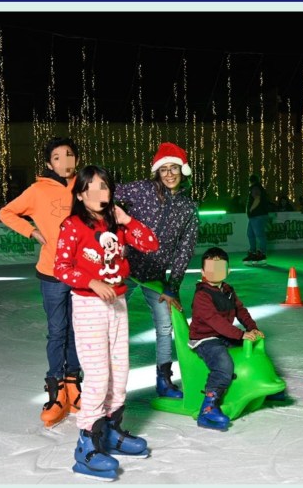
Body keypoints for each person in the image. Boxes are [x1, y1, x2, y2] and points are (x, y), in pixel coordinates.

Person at [54, 165, 159, 480]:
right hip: (89, 306)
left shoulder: (118, 224)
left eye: (106, 187)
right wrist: (92, 282)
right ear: (81, 193)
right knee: (98, 376)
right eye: (94, 188)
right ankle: (86, 445)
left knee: (119, 372)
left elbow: (151, 244)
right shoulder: (73, 225)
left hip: (118, 305)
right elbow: (61, 266)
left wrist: (126, 219)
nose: (101, 194)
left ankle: (110, 433)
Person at [0, 137, 84, 427]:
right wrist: (31, 231)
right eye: (57, 157)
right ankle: (56, 387)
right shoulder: (37, 190)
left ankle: (74, 383)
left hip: (81, 272)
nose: (64, 161)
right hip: (52, 274)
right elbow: (6, 212)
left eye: (69, 155)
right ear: (49, 163)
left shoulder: (84, 185)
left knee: (77, 330)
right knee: (57, 330)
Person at [114, 142, 199, 399]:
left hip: (156, 277)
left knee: (165, 327)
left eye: (174, 168)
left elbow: (185, 250)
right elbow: (106, 195)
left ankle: (164, 379)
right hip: (126, 268)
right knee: (110, 322)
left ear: (183, 171)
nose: (170, 174)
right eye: (164, 169)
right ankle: (101, 378)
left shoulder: (188, 208)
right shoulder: (142, 189)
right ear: (157, 173)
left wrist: (173, 286)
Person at [189, 246, 265, 431]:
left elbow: (240, 310)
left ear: (227, 271)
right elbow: (215, 322)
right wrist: (240, 334)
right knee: (223, 365)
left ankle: (258, 385)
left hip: (224, 335)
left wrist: (252, 328)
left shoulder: (228, 290)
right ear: (203, 272)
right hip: (205, 338)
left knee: (252, 348)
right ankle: (207, 409)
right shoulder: (202, 295)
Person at [244, 174, 271, 262]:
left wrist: (251, 209)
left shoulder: (255, 188)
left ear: (250, 181)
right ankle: (253, 252)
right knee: (250, 234)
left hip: (257, 215)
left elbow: (257, 199)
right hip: (254, 216)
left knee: (259, 235)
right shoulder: (257, 187)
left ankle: (262, 253)